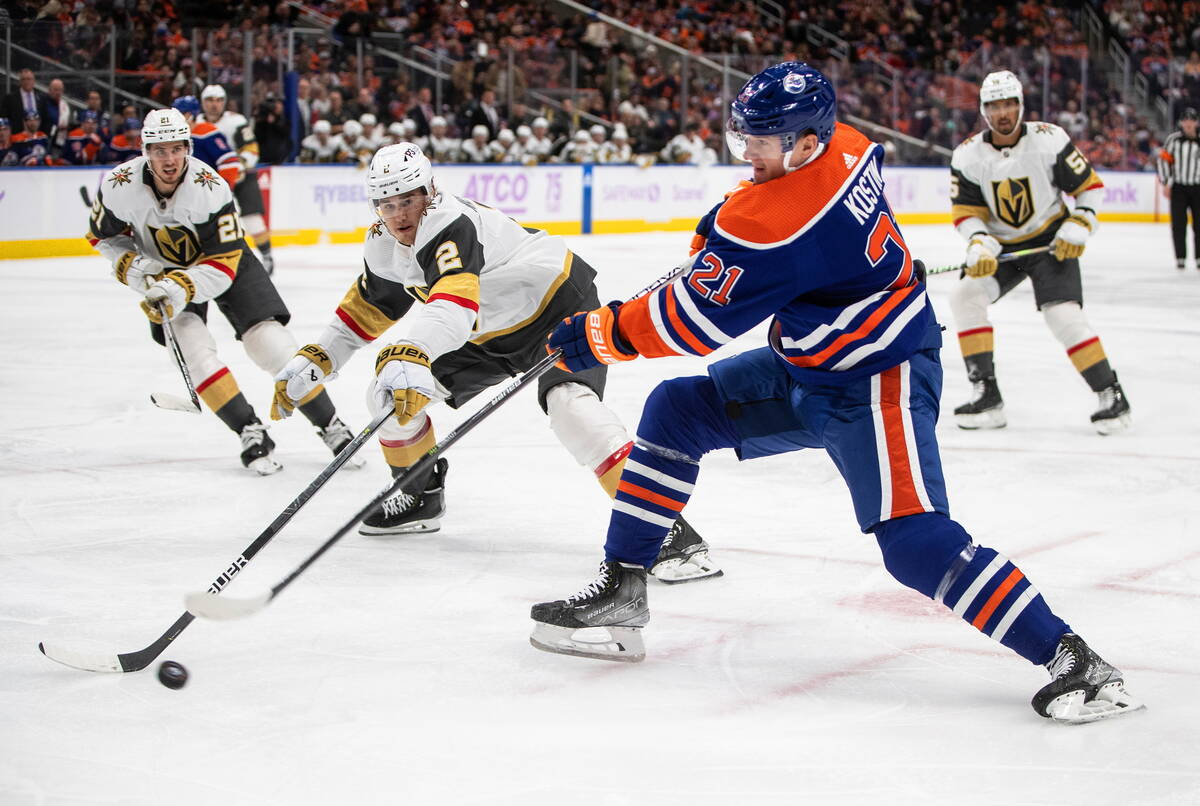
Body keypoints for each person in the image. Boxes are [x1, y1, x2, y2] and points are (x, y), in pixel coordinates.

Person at [528, 63, 1142, 725]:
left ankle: (1075, 659)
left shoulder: (781, 219)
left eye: (761, 143)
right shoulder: (844, 143)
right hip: (813, 365)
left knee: (914, 543)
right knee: (675, 412)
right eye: (744, 141)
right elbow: (755, 240)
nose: (748, 155)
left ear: (805, 144)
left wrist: (599, 332)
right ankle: (624, 584)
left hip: (880, 380)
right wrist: (723, 234)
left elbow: (693, 321)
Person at [271, 143, 718, 582]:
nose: (400, 215)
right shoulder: (383, 243)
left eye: (408, 200)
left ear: (429, 191)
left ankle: (663, 529)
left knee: (573, 409)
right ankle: (419, 493)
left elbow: (454, 301)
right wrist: (320, 357)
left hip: (556, 310)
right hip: (485, 334)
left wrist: (413, 351)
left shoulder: (449, 222)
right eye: (387, 205)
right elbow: (368, 308)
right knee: (390, 397)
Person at [85, 108, 357, 475]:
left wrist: (181, 284)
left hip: (223, 262)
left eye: (176, 149)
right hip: (165, 273)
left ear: (188, 148)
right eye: (160, 150)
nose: (169, 159)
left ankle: (332, 426)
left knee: (270, 344)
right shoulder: (119, 186)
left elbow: (224, 263)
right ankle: (249, 430)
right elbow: (103, 237)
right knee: (196, 353)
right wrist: (137, 271)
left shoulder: (210, 188)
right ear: (145, 150)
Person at [947, 71, 1130, 435]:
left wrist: (1079, 224)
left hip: (1050, 242)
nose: (1003, 112)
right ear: (984, 110)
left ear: (1021, 105)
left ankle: (1111, 394)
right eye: (995, 105)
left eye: (1009, 103)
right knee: (964, 295)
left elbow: (1088, 188)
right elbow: (966, 212)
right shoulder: (967, 155)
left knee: (1063, 316)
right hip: (1002, 249)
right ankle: (987, 396)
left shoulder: (1049, 139)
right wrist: (979, 242)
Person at [200, 85, 276, 274]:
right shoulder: (196, 124)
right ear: (203, 103)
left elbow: (251, 149)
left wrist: (239, 167)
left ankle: (266, 255)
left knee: (252, 218)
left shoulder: (236, 121)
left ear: (224, 102)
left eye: (218, 100)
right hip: (211, 181)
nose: (214, 105)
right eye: (210, 100)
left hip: (242, 176)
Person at [1157, 107, 1200, 271]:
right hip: (1179, 187)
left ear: (1196, 122)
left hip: (1198, 187)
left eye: (1191, 120)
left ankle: (1199, 257)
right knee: (1178, 224)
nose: (1188, 123)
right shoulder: (1173, 140)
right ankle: (1180, 257)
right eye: (1185, 120)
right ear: (1181, 123)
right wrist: (1166, 182)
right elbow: (1163, 161)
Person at [171, 95, 241, 190]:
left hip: (206, 193)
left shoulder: (207, 132)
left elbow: (229, 162)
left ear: (189, 115)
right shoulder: (174, 136)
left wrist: (220, 190)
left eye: (179, 113)